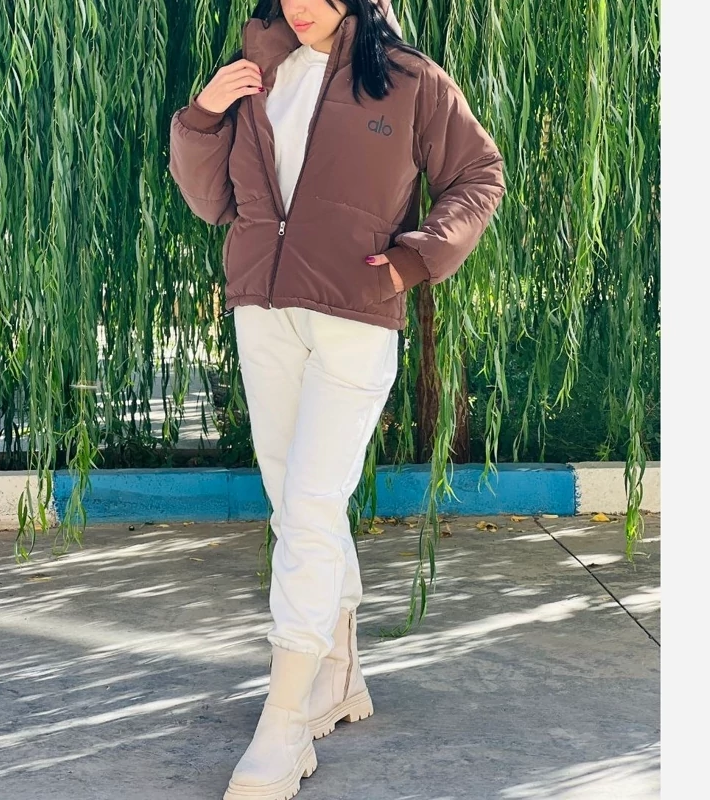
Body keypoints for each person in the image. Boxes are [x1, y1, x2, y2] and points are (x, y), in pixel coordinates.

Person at [169, 2, 505, 798]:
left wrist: (414, 258)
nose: (301, 5)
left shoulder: (408, 79)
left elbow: (479, 174)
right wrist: (203, 116)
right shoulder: (258, 67)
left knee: (312, 505)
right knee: (295, 503)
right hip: (263, 311)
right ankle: (338, 675)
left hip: (354, 317)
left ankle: (284, 724)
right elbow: (213, 202)